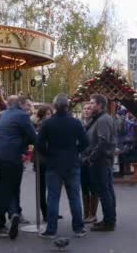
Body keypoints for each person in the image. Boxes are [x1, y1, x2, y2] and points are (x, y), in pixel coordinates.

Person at [36, 94, 90, 239]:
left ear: (54, 107)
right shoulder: (75, 123)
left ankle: (51, 230)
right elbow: (85, 142)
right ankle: (79, 228)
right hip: (72, 163)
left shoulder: (47, 124)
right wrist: (75, 151)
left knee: (53, 197)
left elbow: (39, 144)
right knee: (74, 197)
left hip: (53, 165)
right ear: (67, 106)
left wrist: (49, 155)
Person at [0, 95, 37, 239]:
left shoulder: (3, 114)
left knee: (3, 187)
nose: (29, 108)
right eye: (28, 105)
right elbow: (33, 137)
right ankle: (0, 224)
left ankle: (13, 213)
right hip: (11, 157)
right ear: (21, 104)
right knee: (7, 188)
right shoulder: (22, 116)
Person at [83, 94, 117, 231]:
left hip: (100, 161)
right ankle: (109, 219)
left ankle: (109, 222)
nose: (90, 105)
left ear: (100, 105)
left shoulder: (103, 120)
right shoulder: (100, 119)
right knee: (106, 191)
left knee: (104, 192)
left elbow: (103, 142)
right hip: (101, 160)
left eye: (92, 103)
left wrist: (91, 158)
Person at [33, 104, 54, 222]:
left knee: (49, 187)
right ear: (42, 115)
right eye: (47, 114)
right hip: (42, 160)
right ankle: (46, 212)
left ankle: (50, 211)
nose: (49, 116)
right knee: (43, 187)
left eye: (50, 114)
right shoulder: (41, 126)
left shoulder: (47, 125)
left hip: (44, 159)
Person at [80, 102, 99, 224]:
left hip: (92, 159)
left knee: (93, 187)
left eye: (88, 109)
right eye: (84, 109)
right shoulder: (79, 124)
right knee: (84, 187)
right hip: (81, 159)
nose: (86, 111)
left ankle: (93, 214)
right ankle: (85, 213)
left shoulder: (96, 123)